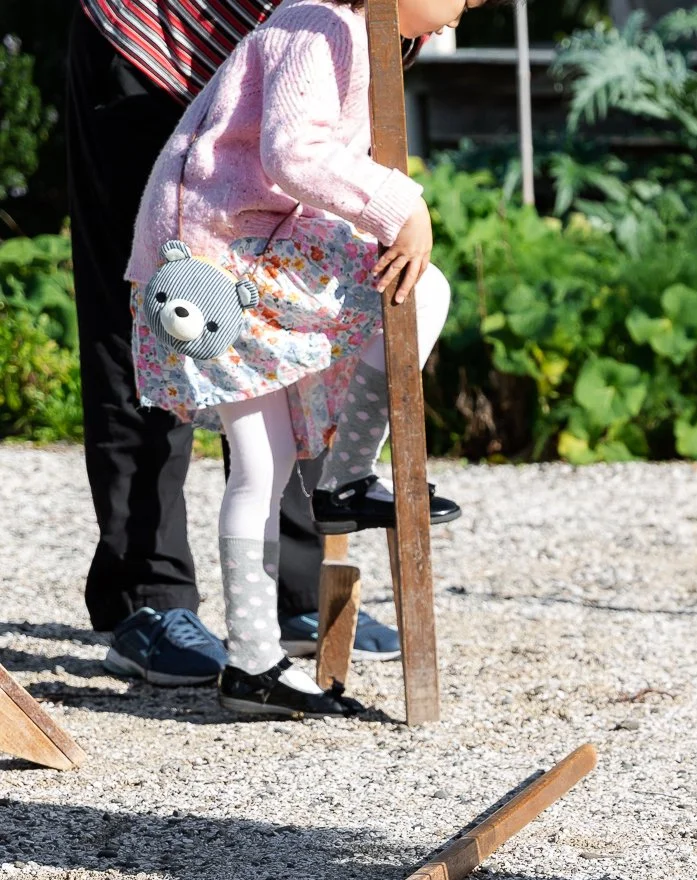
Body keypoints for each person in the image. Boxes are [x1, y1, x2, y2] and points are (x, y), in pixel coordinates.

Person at [124, 0, 481, 717]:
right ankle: (346, 477)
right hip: (219, 259)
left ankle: (252, 663)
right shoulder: (320, 24)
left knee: (264, 464)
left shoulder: (334, 28)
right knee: (422, 288)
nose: (457, 19)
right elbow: (293, 154)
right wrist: (401, 207)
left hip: (222, 247)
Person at [67, 0, 415, 686]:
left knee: (288, 292)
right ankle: (149, 594)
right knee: (158, 303)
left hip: (297, 47)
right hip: (158, 44)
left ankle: (290, 584)